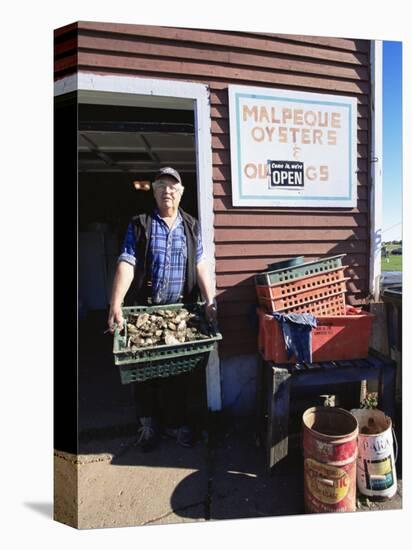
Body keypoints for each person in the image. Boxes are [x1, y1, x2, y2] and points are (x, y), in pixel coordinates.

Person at [108, 167, 217, 452]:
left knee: (178, 375)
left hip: (179, 313)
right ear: (153, 192)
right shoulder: (140, 224)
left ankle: (177, 424)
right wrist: (116, 303)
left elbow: (201, 265)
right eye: (161, 187)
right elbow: (127, 262)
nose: (167, 191)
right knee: (143, 374)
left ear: (181, 193)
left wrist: (209, 301)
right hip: (145, 311)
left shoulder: (192, 226)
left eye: (172, 187)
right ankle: (148, 425)